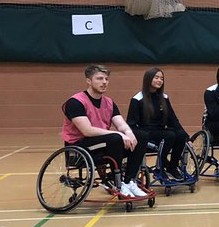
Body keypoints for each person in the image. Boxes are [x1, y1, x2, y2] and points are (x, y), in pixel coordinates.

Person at [61, 64, 148, 198]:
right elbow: (87, 131)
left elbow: (121, 125)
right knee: (115, 138)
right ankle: (118, 184)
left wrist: (129, 133)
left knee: (141, 136)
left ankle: (128, 181)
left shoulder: (109, 102)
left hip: (103, 142)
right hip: (80, 146)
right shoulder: (75, 102)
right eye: (99, 78)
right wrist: (118, 134)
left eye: (106, 79)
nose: (104, 82)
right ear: (88, 81)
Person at [127, 67, 190, 180]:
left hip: (160, 130)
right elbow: (131, 123)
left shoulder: (164, 97)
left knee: (180, 135)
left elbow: (173, 119)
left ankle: (172, 167)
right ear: (148, 79)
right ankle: (160, 166)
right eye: (156, 77)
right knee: (170, 135)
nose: (159, 80)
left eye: (161, 78)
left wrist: (187, 137)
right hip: (146, 132)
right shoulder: (137, 99)